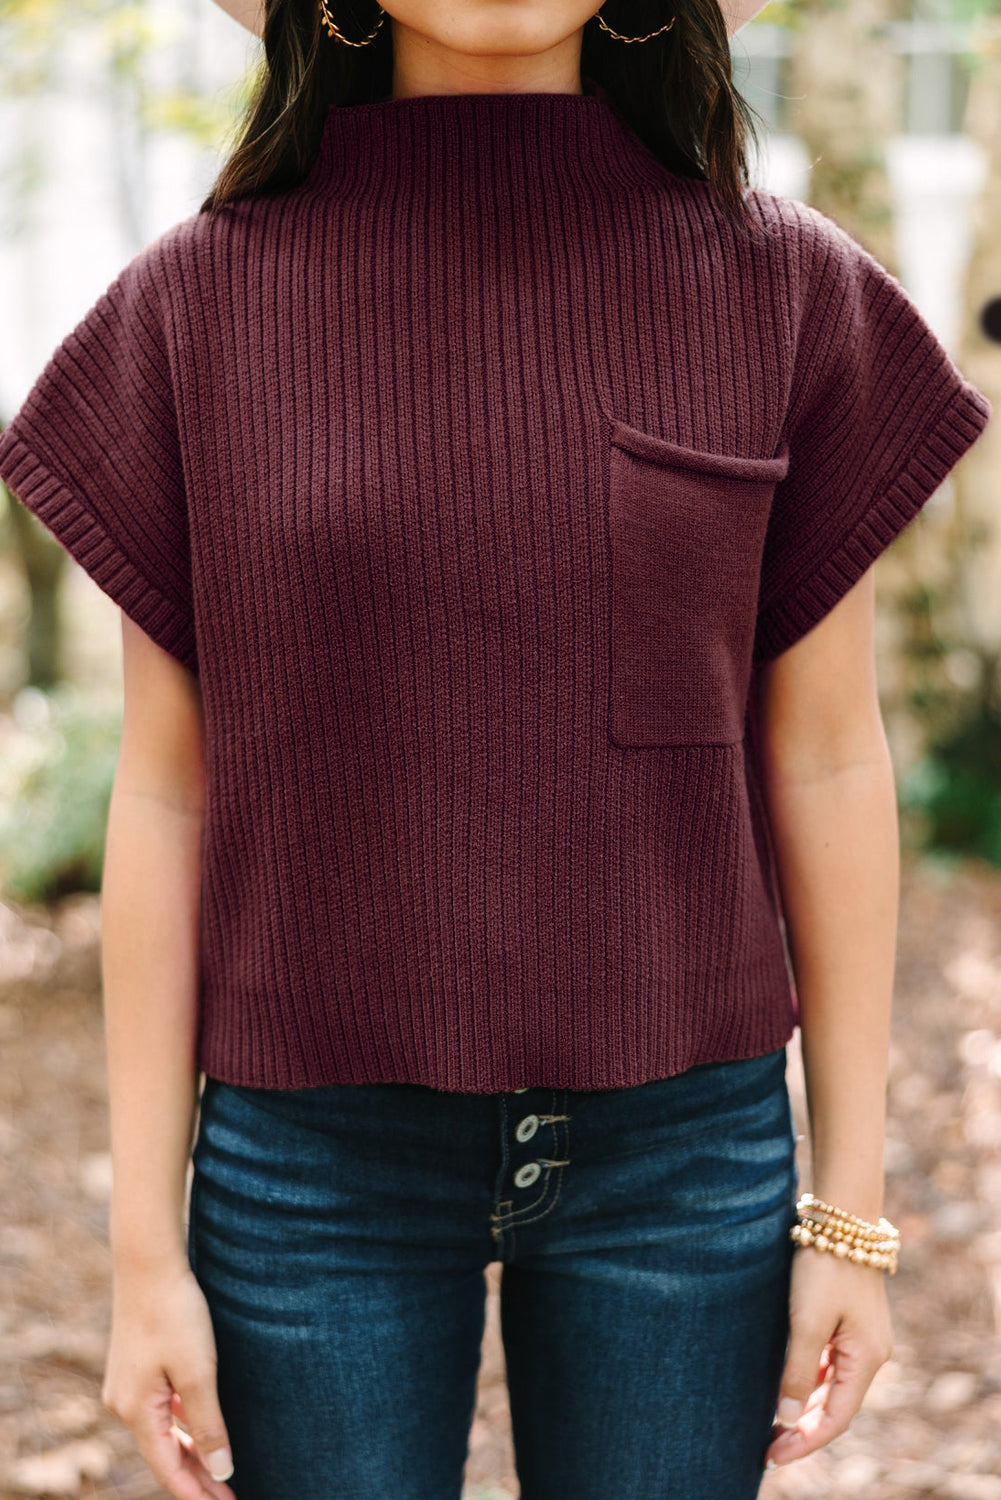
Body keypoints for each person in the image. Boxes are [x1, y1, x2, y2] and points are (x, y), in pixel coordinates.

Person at [0, 3, 991, 1497]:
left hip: (682, 1158)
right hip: (310, 1168)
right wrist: (145, 1255)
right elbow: (164, 791)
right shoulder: (192, 311)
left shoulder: (783, 290)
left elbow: (832, 762)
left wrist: (847, 1217)